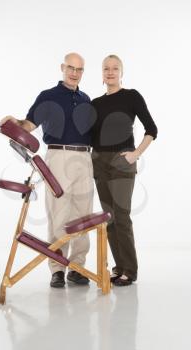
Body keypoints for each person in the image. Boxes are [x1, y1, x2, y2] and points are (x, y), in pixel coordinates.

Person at [0, 53, 95, 288]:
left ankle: (77, 267)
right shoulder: (48, 96)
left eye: (79, 69)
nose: (75, 73)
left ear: (83, 72)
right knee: (59, 214)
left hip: (84, 158)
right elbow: (29, 125)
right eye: (71, 68)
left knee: (84, 215)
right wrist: (15, 122)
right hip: (58, 156)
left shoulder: (86, 99)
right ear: (62, 68)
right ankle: (57, 268)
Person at [91, 54, 158, 286]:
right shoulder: (95, 104)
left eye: (115, 68)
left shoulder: (132, 96)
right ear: (101, 74)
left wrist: (135, 154)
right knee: (109, 219)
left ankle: (130, 270)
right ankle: (119, 268)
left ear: (121, 72)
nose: (110, 72)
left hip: (122, 162)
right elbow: (89, 135)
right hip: (98, 162)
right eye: (106, 68)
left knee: (121, 217)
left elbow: (152, 129)